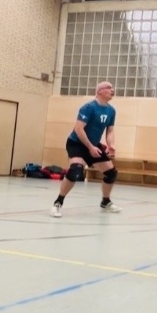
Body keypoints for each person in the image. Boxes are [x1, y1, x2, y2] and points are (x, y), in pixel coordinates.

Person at [52, 81, 121, 218]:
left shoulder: (111, 111)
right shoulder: (88, 108)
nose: (112, 90)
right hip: (77, 143)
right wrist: (90, 147)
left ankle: (105, 202)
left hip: (94, 145)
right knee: (75, 171)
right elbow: (79, 129)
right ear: (99, 91)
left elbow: (110, 131)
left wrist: (110, 144)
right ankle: (58, 203)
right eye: (109, 88)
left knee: (111, 173)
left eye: (112, 88)